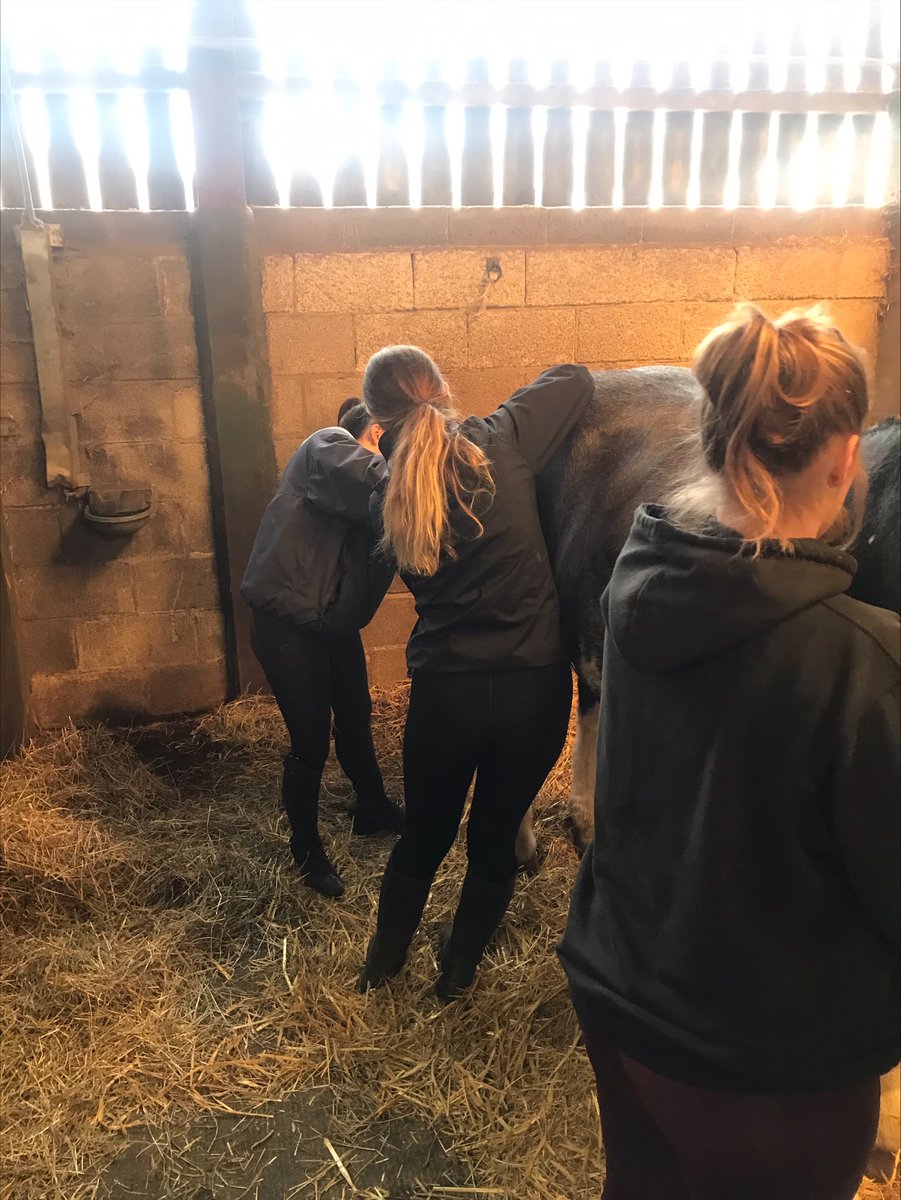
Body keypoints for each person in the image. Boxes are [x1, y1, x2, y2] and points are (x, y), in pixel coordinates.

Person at [557, 305, 900, 1200]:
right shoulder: (862, 658)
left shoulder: (639, 576)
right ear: (844, 457)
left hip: (618, 996)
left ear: (708, 442)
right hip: (763, 1065)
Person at [357, 346, 595, 1001]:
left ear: (377, 419)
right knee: (494, 844)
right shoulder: (500, 439)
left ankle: (380, 970)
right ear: (439, 389)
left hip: (447, 692)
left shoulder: (385, 489)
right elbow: (572, 375)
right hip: (533, 689)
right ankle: (455, 977)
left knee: (424, 837)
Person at [241, 403, 403, 899]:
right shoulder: (327, 447)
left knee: (356, 714)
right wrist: (419, 470)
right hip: (288, 622)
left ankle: (371, 806)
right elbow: (377, 479)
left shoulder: (366, 491)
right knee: (310, 739)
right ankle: (306, 848)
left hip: (330, 622)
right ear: (375, 431)